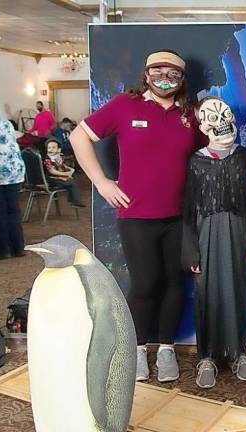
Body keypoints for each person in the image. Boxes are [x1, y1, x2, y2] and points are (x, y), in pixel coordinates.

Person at [69, 49, 205, 384]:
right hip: (136, 215)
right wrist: (101, 182)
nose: (165, 77)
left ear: (182, 79)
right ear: (146, 74)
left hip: (179, 215)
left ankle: (166, 349)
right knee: (146, 284)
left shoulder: (191, 114)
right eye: (158, 70)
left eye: (173, 73)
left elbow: (211, 152)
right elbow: (78, 136)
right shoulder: (125, 105)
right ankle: (138, 349)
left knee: (176, 282)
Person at [182, 96, 246, 389]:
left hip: (238, 232)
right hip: (205, 234)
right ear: (204, 125)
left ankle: (238, 351)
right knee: (206, 292)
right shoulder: (196, 161)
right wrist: (191, 249)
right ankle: (206, 356)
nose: (223, 122)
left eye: (226, 115)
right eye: (214, 118)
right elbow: (189, 208)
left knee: (237, 290)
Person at [0, 97, 26, 260]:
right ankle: (18, 247)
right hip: (14, 173)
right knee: (13, 210)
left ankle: (3, 249)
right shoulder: (7, 124)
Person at [43, 138, 85, 207]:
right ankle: (75, 201)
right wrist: (65, 174)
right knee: (71, 183)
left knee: (70, 182)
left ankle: (73, 201)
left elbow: (63, 166)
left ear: (59, 150)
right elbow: (52, 171)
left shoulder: (58, 158)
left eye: (53, 147)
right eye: (49, 148)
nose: (51, 149)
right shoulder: (47, 160)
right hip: (51, 179)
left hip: (57, 178)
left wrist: (71, 170)